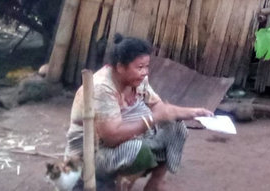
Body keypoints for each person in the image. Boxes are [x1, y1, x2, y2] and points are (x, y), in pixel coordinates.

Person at [65, 34, 212, 191]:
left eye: (147, 66)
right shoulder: (102, 87)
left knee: (176, 127)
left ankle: (156, 182)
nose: (145, 72)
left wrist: (194, 112)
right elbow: (111, 138)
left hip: (122, 140)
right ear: (121, 67)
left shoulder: (137, 81)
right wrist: (152, 119)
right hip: (91, 153)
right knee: (137, 150)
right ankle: (121, 185)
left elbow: (160, 108)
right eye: (140, 67)